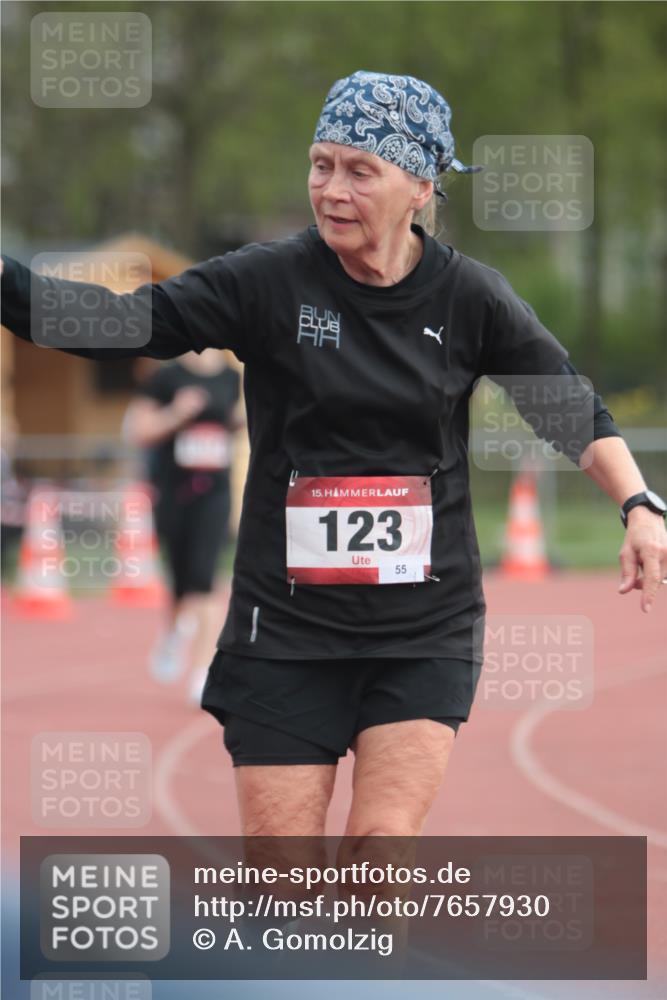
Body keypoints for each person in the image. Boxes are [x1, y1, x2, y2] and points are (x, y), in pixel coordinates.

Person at [2, 71, 666, 857]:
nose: (331, 190)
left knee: (381, 849)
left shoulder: (470, 299)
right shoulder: (266, 281)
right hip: (283, 625)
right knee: (283, 874)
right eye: (321, 165)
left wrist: (638, 506)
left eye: (360, 170)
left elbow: (566, 408)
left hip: (423, 624)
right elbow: (121, 323)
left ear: (420, 184)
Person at [122, 348, 244, 702]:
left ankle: (203, 671)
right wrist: (177, 413)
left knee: (204, 578)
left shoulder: (230, 376)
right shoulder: (164, 376)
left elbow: (235, 419)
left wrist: (235, 424)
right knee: (181, 577)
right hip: (174, 490)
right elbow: (141, 431)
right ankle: (174, 631)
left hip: (215, 491)